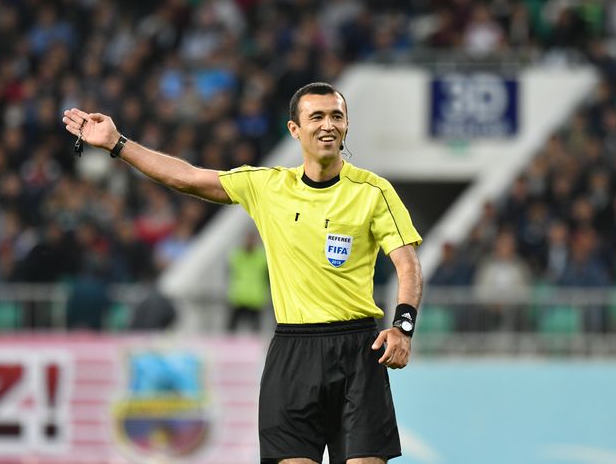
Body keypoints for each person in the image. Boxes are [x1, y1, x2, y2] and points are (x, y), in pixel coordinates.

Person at [62, 82, 423, 463]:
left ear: (346, 125)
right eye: (316, 116)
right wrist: (118, 144)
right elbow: (187, 177)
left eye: (337, 116)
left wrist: (403, 327)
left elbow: (407, 263)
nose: (328, 125)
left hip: (358, 349)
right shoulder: (268, 186)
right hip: (293, 351)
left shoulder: (373, 191)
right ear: (294, 129)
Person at [226, 229, 269, 332]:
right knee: (231, 329)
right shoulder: (237, 255)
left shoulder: (262, 257)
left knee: (255, 330)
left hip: (255, 299)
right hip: (239, 297)